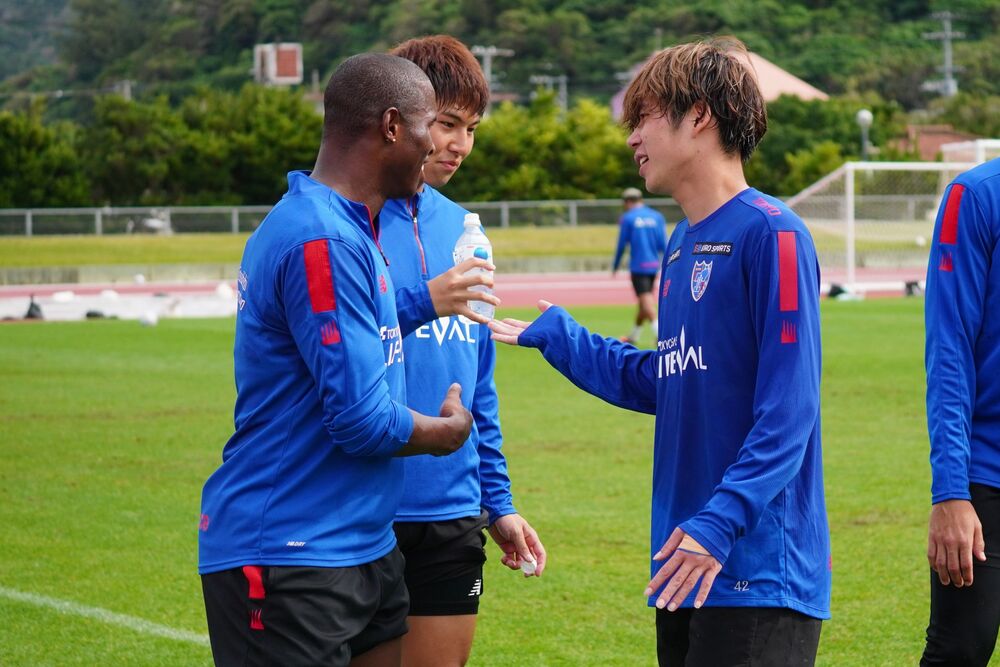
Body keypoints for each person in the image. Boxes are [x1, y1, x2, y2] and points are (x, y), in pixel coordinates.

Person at [489, 37, 829, 666]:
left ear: (698, 115)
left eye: (642, 117)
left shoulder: (773, 234)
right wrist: (562, 338)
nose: (632, 138)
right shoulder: (680, 243)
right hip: (681, 558)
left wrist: (718, 523)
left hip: (754, 567)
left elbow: (790, 411)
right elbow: (669, 378)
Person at [198, 53, 475, 667]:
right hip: (291, 551)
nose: (436, 145)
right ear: (392, 126)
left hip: (363, 544)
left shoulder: (349, 226)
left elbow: (361, 336)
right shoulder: (321, 237)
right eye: (430, 126)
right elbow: (361, 422)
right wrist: (448, 433)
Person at [380, 35, 546, 667]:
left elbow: (479, 384)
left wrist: (497, 503)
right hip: (364, 508)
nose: (460, 144)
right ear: (400, 117)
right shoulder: (344, 224)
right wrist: (422, 300)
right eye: (448, 124)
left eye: (471, 129)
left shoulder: (467, 229)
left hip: (452, 509)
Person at [922, 157, 1000, 666]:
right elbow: (948, 349)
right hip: (987, 479)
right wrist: (951, 491)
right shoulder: (975, 195)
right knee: (960, 651)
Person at [612, 186, 667, 345]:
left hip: (638, 265)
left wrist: (616, 265)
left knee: (646, 299)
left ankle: (661, 335)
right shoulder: (656, 216)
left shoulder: (628, 218)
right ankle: (634, 336)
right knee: (644, 300)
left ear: (627, 202)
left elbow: (621, 244)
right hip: (653, 265)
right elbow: (663, 243)